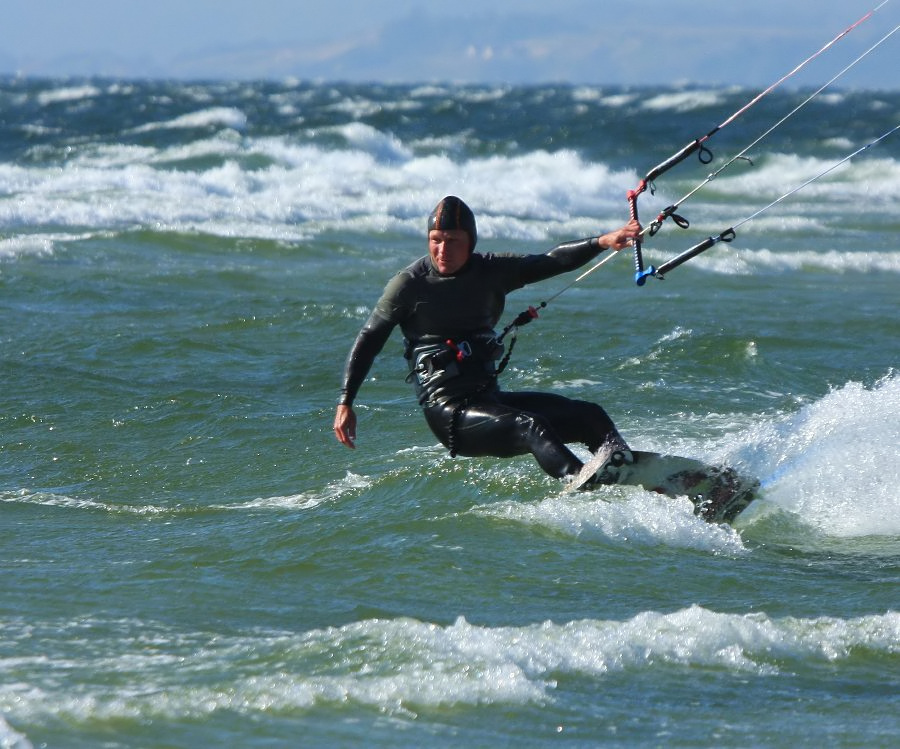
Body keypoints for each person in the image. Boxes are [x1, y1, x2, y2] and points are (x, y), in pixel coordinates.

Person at [333, 195, 641, 487]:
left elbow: (551, 260)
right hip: (450, 413)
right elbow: (369, 338)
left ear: (470, 242)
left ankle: (633, 473)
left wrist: (602, 241)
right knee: (531, 426)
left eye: (453, 241)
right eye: (436, 240)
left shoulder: (491, 271)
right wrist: (346, 401)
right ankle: (583, 486)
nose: (443, 250)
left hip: (489, 400)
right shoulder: (409, 285)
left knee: (589, 415)